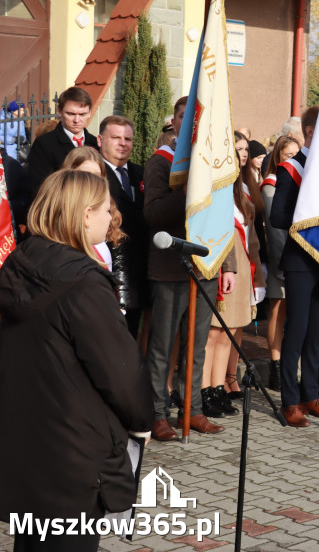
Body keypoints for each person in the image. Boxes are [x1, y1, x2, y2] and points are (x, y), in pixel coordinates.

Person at [0, 170, 153, 551]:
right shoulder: (83, 282)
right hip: (73, 454)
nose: (111, 217)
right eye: (105, 209)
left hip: (29, 440)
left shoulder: (19, 262)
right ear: (84, 215)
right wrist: (141, 419)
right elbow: (120, 371)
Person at [145, 96, 234, 440]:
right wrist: (190, 191)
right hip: (169, 268)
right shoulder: (161, 162)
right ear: (175, 122)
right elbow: (152, 215)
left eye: (195, 118)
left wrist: (227, 264)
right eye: (184, 117)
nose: (189, 123)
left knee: (195, 346)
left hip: (205, 266)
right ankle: (157, 414)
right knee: (162, 347)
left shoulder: (214, 164)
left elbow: (224, 218)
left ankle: (192, 409)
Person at [270, 105, 319, 428]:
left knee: (315, 332)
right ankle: (290, 400)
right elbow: (278, 216)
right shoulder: (291, 168)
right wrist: (310, 214)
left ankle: (311, 392)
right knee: (295, 330)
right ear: (310, 131)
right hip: (299, 261)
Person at [203, 132, 265, 419]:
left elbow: (251, 234)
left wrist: (258, 275)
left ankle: (219, 387)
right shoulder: (218, 185)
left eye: (244, 149)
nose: (242, 153)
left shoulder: (243, 186)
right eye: (236, 149)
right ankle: (206, 390)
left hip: (240, 261)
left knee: (229, 332)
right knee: (214, 332)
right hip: (223, 260)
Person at [96, 114, 148, 338]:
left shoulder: (141, 173)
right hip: (108, 271)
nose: (122, 143)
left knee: (131, 336)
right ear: (100, 140)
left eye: (128, 139)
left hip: (139, 273)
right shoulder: (94, 174)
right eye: (116, 137)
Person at [260, 135, 301, 390]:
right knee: (277, 311)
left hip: (294, 258)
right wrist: (282, 265)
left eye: (296, 155)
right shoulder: (271, 186)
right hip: (281, 260)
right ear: (278, 156)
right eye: (288, 155)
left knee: (289, 313)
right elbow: (275, 232)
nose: (293, 159)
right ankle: (275, 366)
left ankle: (286, 364)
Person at [27, 86, 99, 197]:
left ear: (90, 112)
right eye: (71, 114)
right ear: (60, 111)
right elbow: (39, 187)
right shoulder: (44, 144)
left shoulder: (96, 143)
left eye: (82, 114)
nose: (77, 120)